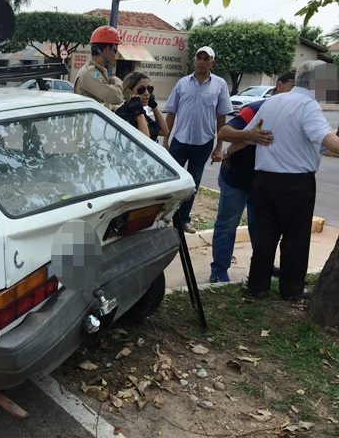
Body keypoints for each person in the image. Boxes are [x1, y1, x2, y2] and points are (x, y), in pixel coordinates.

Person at [239, 61, 339, 300]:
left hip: (264, 179)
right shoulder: (308, 106)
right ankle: (291, 290)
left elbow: (251, 135)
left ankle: (258, 286)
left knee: (265, 236)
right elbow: (331, 144)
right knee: (295, 238)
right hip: (295, 183)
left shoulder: (273, 101)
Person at [209, 70, 296, 283]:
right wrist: (249, 134)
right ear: (280, 85)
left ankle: (262, 267)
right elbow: (224, 133)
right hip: (237, 179)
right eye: (293, 86)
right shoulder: (255, 109)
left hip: (264, 183)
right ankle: (219, 271)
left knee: (263, 229)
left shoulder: (293, 114)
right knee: (227, 225)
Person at [163, 46, 233, 233]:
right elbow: (171, 112)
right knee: (172, 179)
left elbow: (221, 118)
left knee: (193, 182)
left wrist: (219, 146)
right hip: (180, 139)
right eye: (199, 58)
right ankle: (165, 217)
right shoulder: (182, 83)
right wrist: (166, 140)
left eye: (206, 58)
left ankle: (184, 220)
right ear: (194, 61)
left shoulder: (220, 85)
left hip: (203, 142)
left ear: (212, 62)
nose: (201, 61)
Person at [73, 25, 123, 108]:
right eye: (115, 50)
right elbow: (115, 97)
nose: (116, 54)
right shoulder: (89, 73)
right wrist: (118, 82)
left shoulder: (99, 71)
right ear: (107, 50)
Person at [115, 71, 169, 141]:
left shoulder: (142, 113)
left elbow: (164, 131)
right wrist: (138, 111)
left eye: (149, 89)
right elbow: (145, 141)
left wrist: (154, 106)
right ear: (129, 92)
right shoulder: (123, 114)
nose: (147, 93)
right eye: (141, 90)